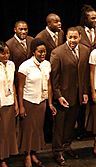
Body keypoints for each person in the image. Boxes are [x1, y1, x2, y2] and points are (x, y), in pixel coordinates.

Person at [50, 27, 90, 165]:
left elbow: (84, 75)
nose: (72, 40)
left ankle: (67, 146)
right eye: (70, 37)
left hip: (77, 95)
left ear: (80, 37)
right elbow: (54, 79)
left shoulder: (85, 50)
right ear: (66, 37)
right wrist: (58, 96)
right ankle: (57, 151)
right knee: (59, 126)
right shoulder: (57, 53)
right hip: (63, 96)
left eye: (75, 37)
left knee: (70, 125)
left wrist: (84, 92)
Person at [17, 39, 56, 167]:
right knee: (28, 130)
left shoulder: (47, 64)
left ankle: (34, 153)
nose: (42, 54)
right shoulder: (25, 66)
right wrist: (21, 106)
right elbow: (20, 88)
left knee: (38, 129)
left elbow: (49, 85)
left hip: (41, 102)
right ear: (33, 52)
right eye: (40, 51)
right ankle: (27, 155)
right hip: (29, 101)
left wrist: (50, 103)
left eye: (44, 51)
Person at [75, 4, 96, 140]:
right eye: (92, 18)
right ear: (85, 19)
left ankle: (95, 129)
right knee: (82, 101)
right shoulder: (77, 30)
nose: (95, 20)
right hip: (81, 70)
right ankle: (80, 129)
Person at [35, 13, 64, 143]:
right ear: (49, 24)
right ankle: (46, 134)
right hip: (45, 72)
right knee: (47, 104)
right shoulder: (41, 37)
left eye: (59, 21)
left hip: (58, 72)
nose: (59, 24)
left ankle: (56, 131)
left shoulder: (61, 33)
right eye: (56, 22)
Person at [0, 42, 19, 167]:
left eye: (7, 52)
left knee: (7, 133)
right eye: (3, 53)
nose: (6, 55)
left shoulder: (12, 65)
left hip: (10, 102)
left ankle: (3, 159)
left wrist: (16, 104)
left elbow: (12, 84)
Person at [6, 20, 34, 88]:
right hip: (18, 81)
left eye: (25, 29)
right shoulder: (9, 44)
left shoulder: (32, 40)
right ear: (15, 30)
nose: (23, 32)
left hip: (32, 79)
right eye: (21, 29)